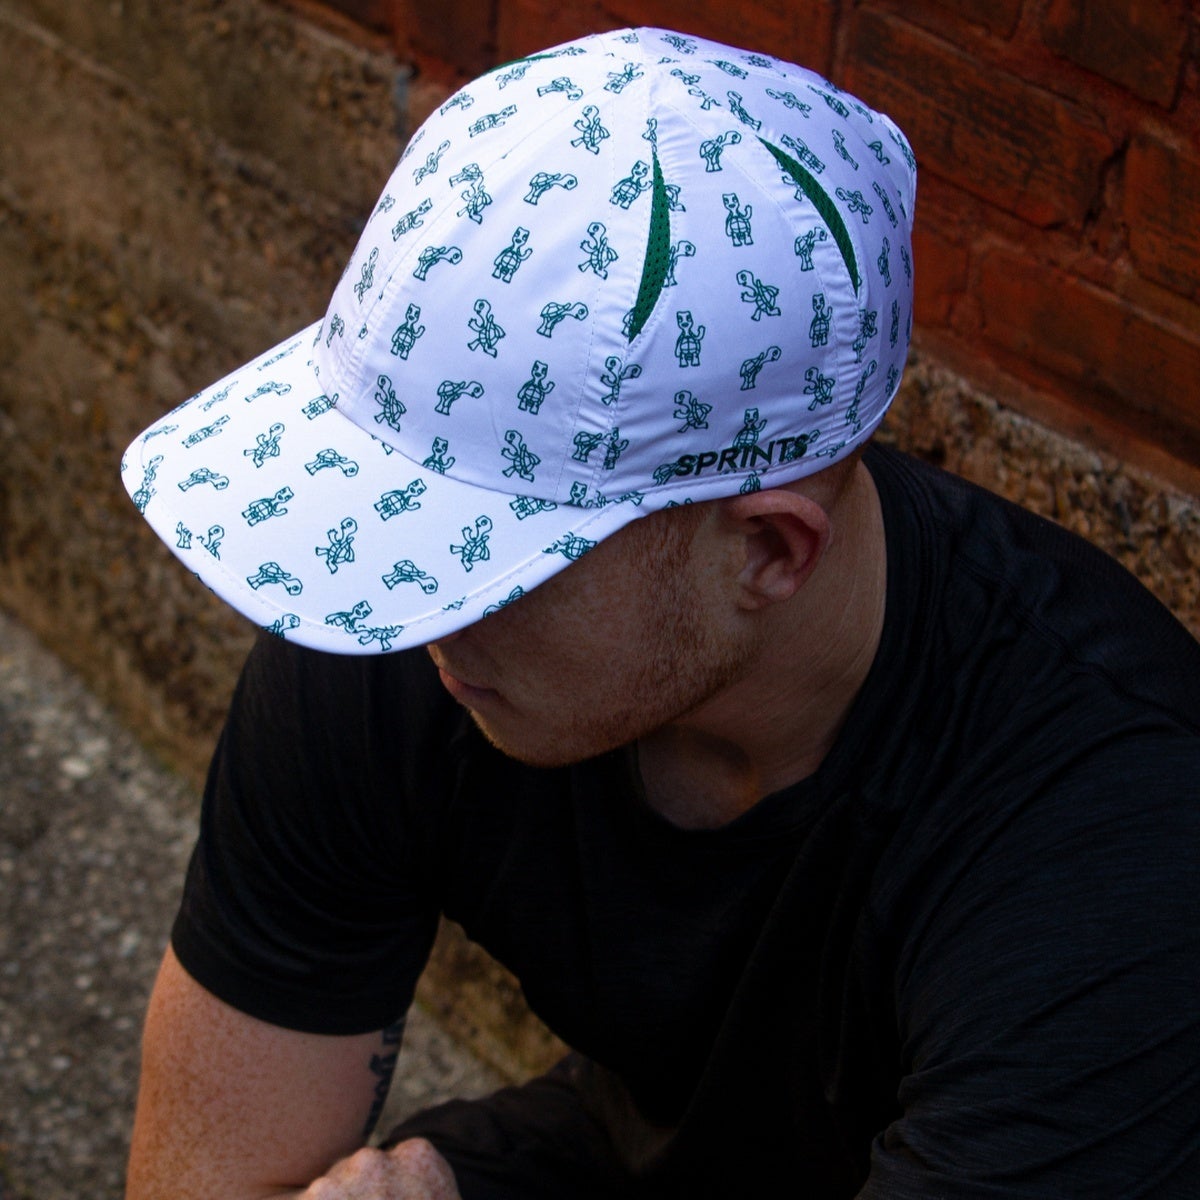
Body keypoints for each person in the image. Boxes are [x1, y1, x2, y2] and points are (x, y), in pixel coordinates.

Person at [120, 26, 1200, 1200]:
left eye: (493, 558)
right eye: (407, 517)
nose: (421, 611)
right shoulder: (399, 618)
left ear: (768, 552)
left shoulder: (1114, 853)